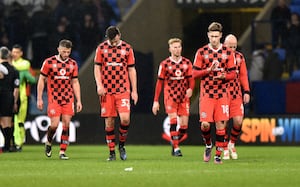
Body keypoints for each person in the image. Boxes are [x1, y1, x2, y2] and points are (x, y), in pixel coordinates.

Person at [192, 22, 236, 164]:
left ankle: (217, 156)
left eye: (217, 36)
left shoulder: (228, 53)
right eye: (212, 36)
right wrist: (208, 71)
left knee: (220, 126)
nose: (214, 39)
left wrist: (224, 76)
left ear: (221, 36)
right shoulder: (201, 52)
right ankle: (208, 144)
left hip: (222, 94)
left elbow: (234, 74)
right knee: (205, 124)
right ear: (208, 36)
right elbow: (194, 73)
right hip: (207, 94)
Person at [94, 26, 138, 161]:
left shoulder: (127, 48)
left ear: (119, 35)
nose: (112, 43)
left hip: (123, 89)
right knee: (109, 122)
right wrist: (99, 85)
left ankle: (122, 145)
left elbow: (131, 70)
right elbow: (97, 67)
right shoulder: (101, 48)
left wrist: (134, 91)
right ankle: (112, 152)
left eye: (114, 40)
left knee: (125, 119)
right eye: (110, 41)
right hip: (107, 91)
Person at [37, 39, 82, 160]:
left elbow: (75, 82)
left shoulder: (73, 64)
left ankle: (62, 151)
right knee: (54, 125)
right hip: (54, 99)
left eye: (68, 52)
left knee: (66, 124)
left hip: (68, 99)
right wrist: (39, 98)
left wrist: (79, 100)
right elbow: (41, 80)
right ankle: (49, 141)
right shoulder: (49, 62)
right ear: (58, 49)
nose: (66, 54)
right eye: (64, 51)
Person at [152, 38, 194, 157]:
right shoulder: (164, 64)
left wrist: (190, 89)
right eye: (174, 47)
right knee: (174, 121)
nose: (177, 49)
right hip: (170, 97)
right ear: (170, 49)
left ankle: (174, 141)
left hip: (183, 98)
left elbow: (191, 80)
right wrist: (156, 101)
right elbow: (159, 83)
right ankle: (176, 148)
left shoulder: (187, 63)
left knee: (184, 127)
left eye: (179, 47)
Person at [223, 34, 250, 160]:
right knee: (223, 122)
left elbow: (243, 75)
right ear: (224, 45)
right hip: (222, 94)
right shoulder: (219, 56)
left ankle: (231, 143)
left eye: (234, 46)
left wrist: (247, 91)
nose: (232, 49)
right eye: (230, 46)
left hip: (236, 94)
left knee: (238, 121)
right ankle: (224, 147)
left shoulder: (239, 57)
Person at [12, 44, 36, 151]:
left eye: (17, 52)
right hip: (9, 96)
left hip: (22, 96)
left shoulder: (25, 63)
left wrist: (8, 67)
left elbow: (32, 79)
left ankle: (19, 142)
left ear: (21, 53)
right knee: (10, 121)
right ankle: (12, 141)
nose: (14, 54)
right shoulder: (11, 64)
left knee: (20, 120)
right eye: (13, 52)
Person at [0, 46, 19, 152]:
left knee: (2, 122)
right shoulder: (14, 71)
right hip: (8, 97)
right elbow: (16, 89)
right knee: (7, 122)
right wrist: (15, 102)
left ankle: (5, 145)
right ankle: (8, 146)